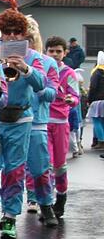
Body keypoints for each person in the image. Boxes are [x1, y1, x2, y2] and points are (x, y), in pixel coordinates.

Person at [0, 9, 46, 239]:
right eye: (7, 32)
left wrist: (25, 68)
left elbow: (41, 84)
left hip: (21, 118)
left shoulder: (33, 56)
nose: (11, 36)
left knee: (15, 169)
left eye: (17, 32)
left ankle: (10, 215)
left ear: (24, 34)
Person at [23, 17, 59, 226]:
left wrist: (37, 86)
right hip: (10, 120)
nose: (26, 41)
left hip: (37, 122)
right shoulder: (3, 56)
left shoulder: (48, 62)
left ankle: (46, 204)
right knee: (3, 170)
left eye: (30, 37)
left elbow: (52, 94)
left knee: (40, 168)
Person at [44, 36, 79, 219]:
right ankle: (46, 203)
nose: (55, 54)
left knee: (60, 165)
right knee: (46, 164)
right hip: (43, 123)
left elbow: (76, 97)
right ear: (46, 52)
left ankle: (61, 197)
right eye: (51, 51)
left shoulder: (69, 73)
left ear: (65, 53)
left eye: (59, 51)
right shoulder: (41, 70)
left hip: (61, 123)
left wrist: (71, 100)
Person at [89, 52, 104, 150]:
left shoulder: (97, 72)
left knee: (96, 120)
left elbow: (93, 87)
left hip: (97, 100)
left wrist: (89, 99)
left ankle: (101, 141)